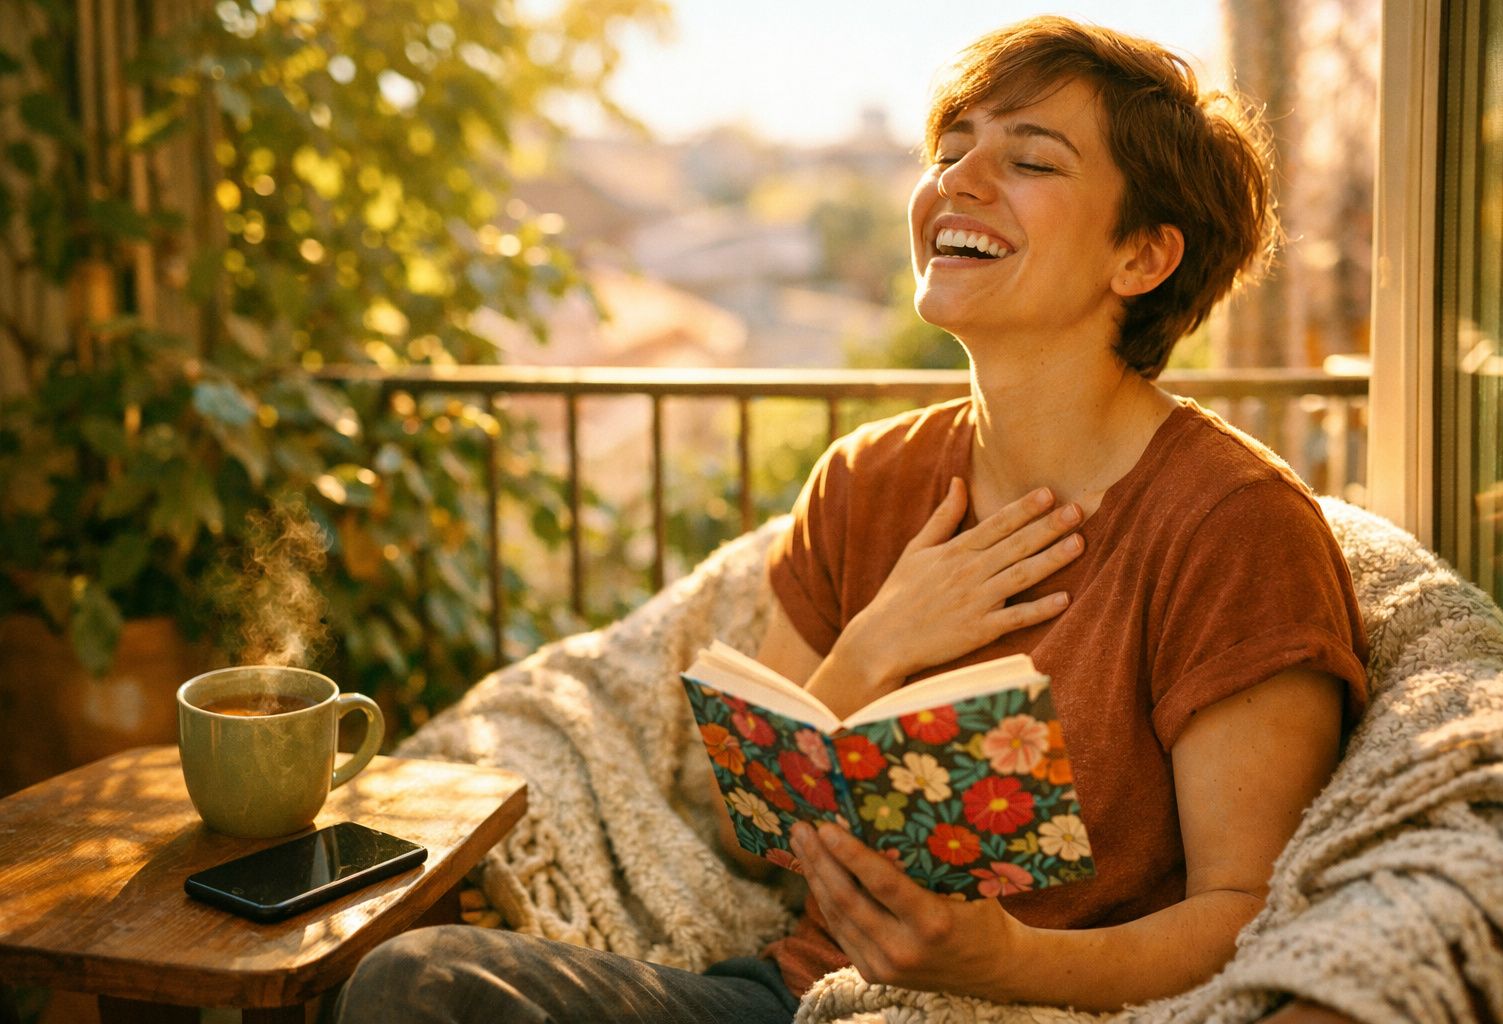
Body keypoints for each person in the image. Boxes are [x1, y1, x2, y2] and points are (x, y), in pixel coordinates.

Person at [336, 16, 1369, 1024]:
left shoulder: (1235, 527)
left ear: (1141, 257)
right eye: (951, 148)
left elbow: (1250, 917)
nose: (955, 180)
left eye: (1032, 162)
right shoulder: (866, 475)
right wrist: (881, 640)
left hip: (1038, 1009)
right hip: (799, 998)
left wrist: (1006, 961)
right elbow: (757, 840)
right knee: (412, 982)